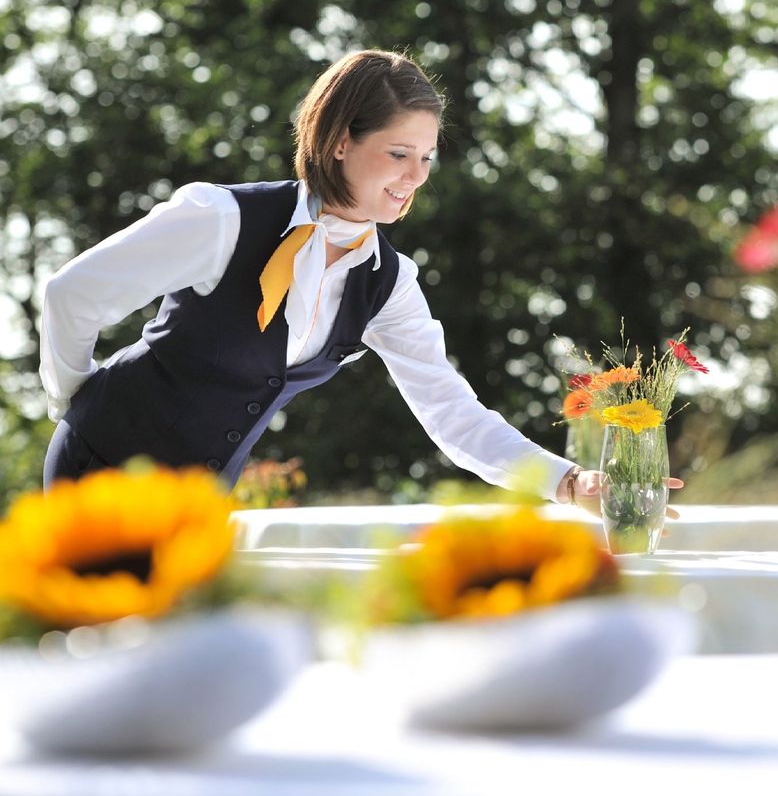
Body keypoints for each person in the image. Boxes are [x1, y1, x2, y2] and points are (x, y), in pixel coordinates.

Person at [38, 49, 683, 515]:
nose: (415, 176)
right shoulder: (220, 218)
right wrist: (76, 404)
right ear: (341, 141)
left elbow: (451, 412)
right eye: (398, 154)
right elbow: (72, 295)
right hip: (101, 475)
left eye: (427, 158)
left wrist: (568, 482)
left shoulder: (388, 281)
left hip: (198, 503)